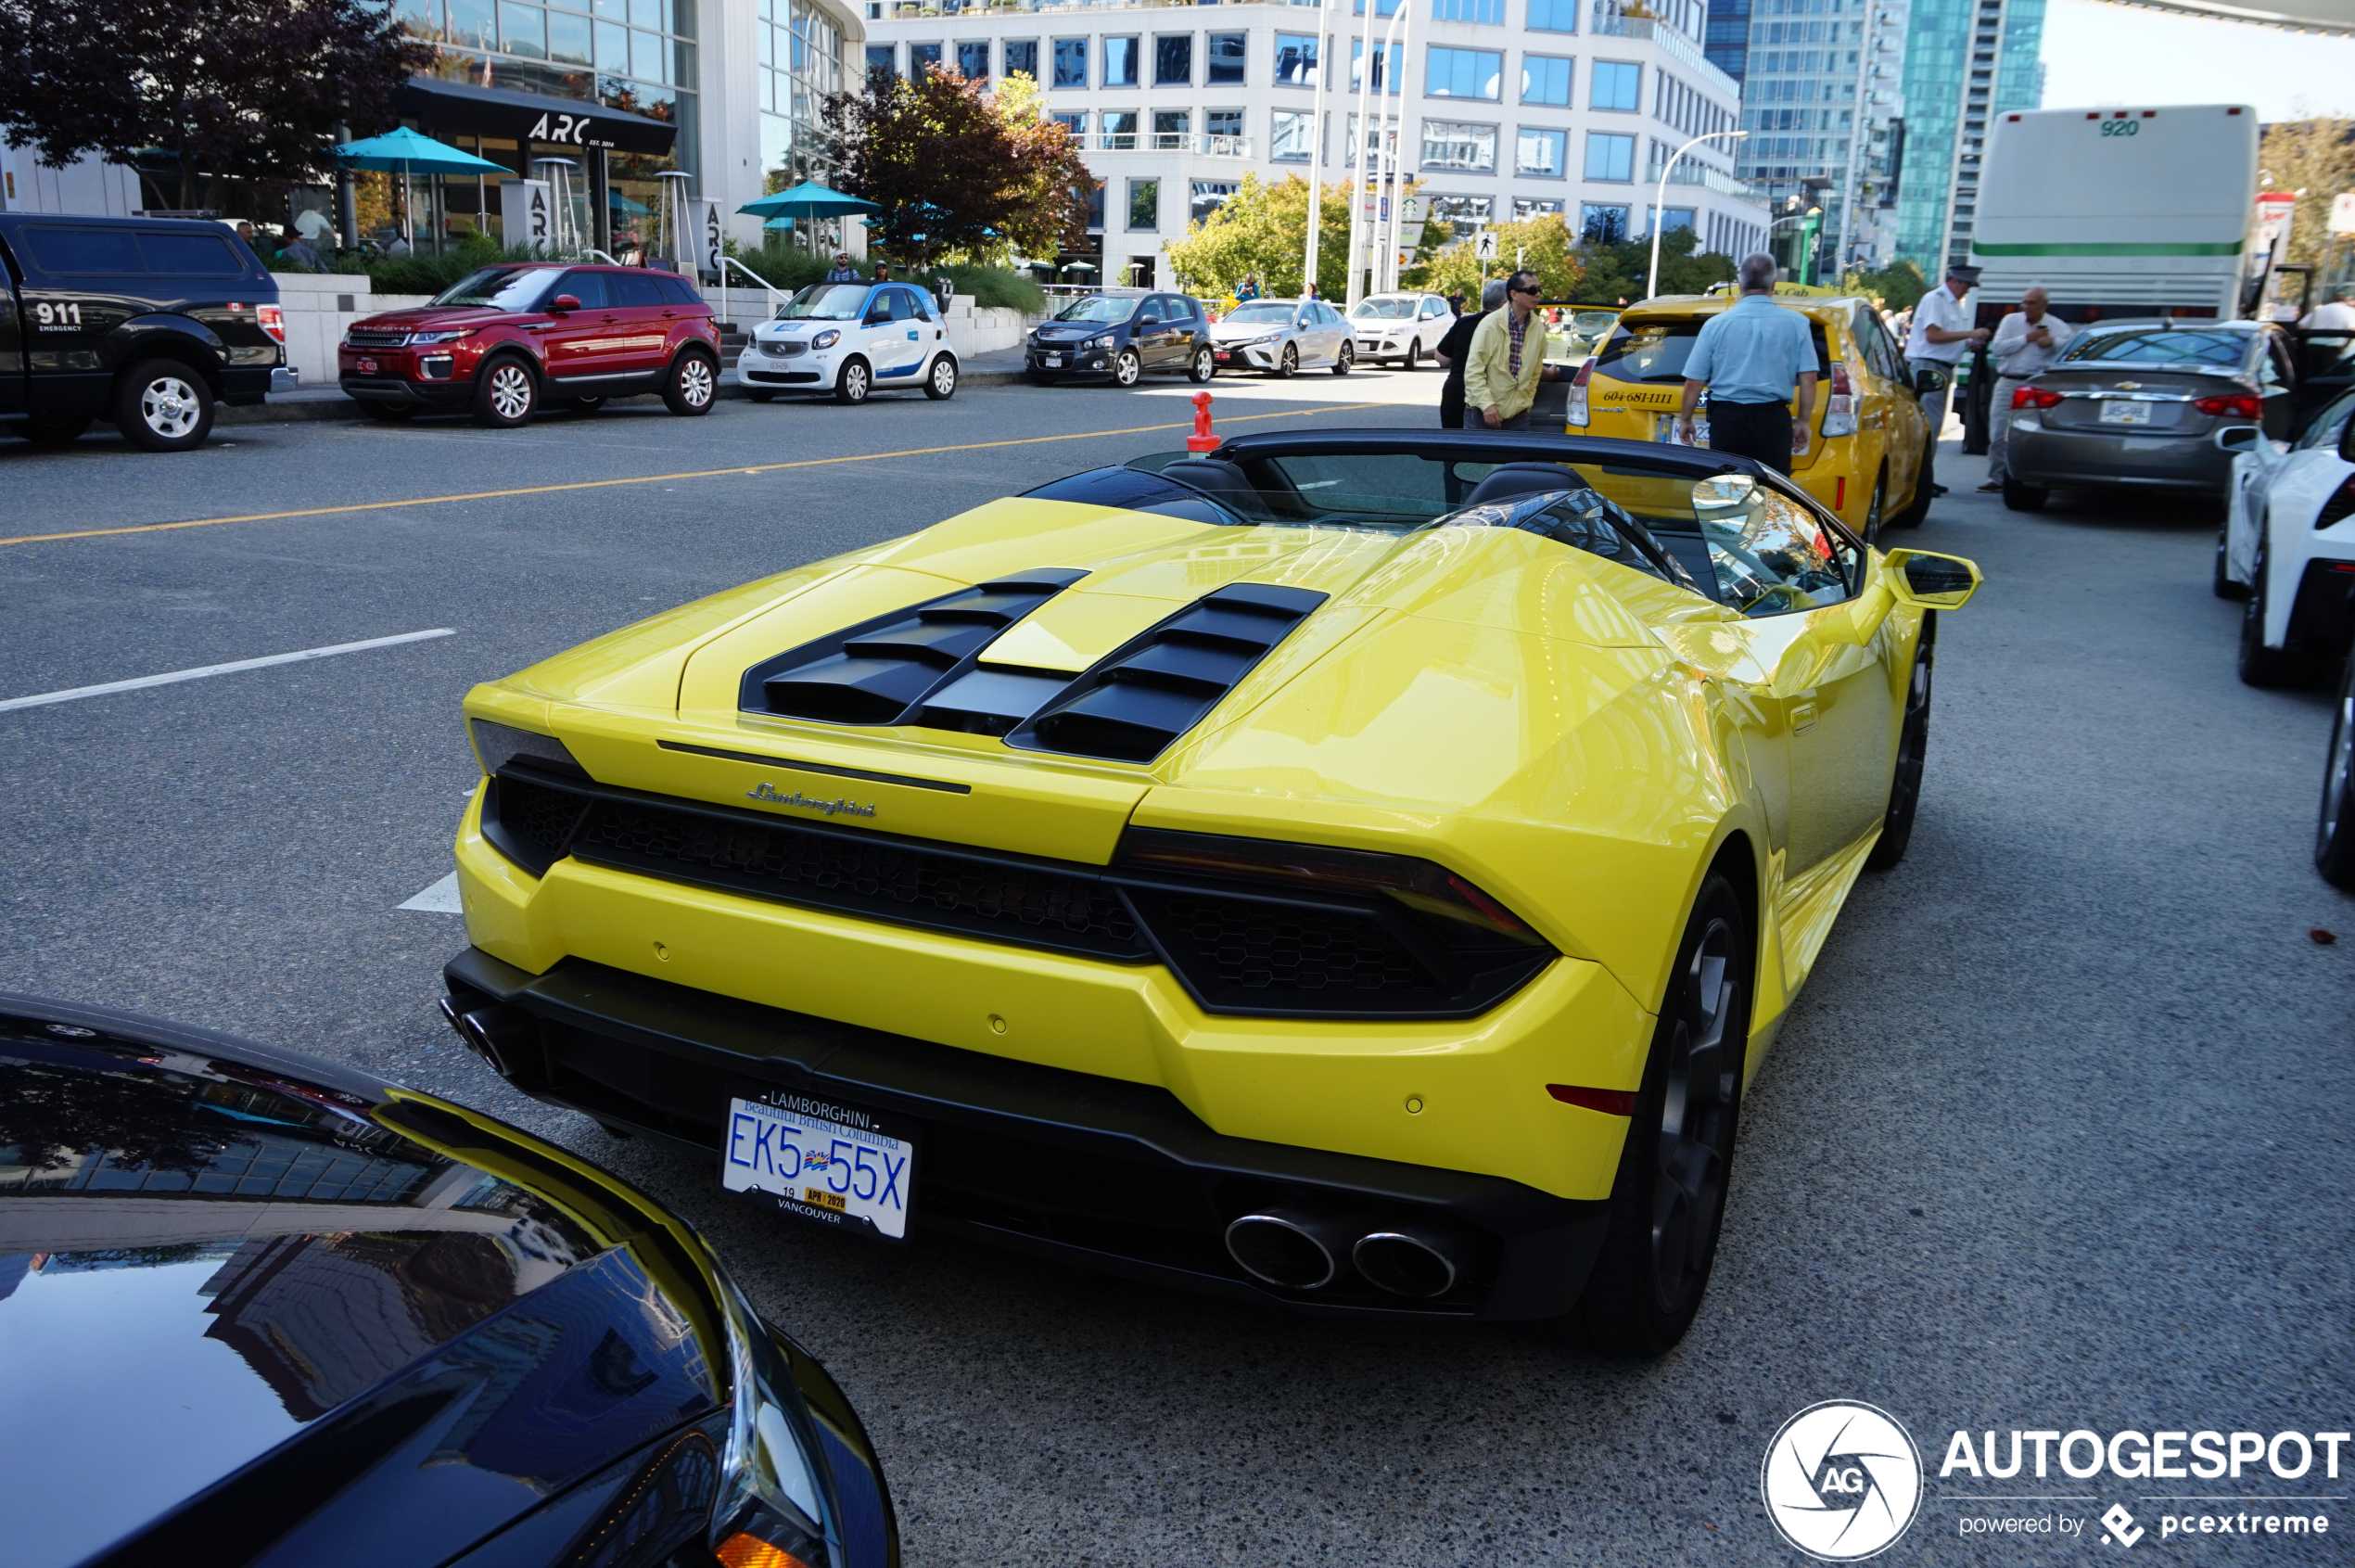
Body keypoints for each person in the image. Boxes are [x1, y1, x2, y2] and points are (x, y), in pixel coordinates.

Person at [1675, 252, 1818, 473]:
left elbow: (1694, 381)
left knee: (1726, 492)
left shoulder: (1715, 325)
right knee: (1772, 494)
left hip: (1727, 421)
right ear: (1773, 283)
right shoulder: (1797, 323)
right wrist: (1803, 423)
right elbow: (1808, 377)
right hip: (1774, 421)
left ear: (1740, 282)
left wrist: (1686, 420)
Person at [1905, 262, 1989, 498]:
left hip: (1939, 366)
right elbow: (1933, 336)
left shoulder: (1951, 303)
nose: (1969, 290)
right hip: (1928, 366)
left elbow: (1945, 337)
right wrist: (1971, 334)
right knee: (1928, 426)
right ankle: (1919, 481)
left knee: (1933, 426)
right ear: (1956, 281)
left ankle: (1925, 478)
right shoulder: (1937, 299)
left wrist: (1967, 342)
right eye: (1968, 285)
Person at [1980, 286, 2074, 492]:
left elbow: (2071, 347)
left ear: (2044, 305)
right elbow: (1997, 348)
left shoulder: (2057, 326)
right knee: (1998, 431)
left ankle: (2027, 477)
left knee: (2031, 431)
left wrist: (2053, 342)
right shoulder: (2011, 321)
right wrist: (2026, 338)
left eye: (2032, 303)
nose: (2027, 307)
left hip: (2035, 385)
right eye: (2025, 302)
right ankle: (1996, 478)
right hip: (2008, 380)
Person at [1463, 270, 1566, 431]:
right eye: (1532, 290)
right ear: (1514, 294)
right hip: (1483, 413)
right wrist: (1487, 405)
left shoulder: (1538, 326)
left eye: (1540, 289)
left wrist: (1526, 402)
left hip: (1519, 415)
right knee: (1480, 457)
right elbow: (1473, 371)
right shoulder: (1490, 324)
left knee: (1518, 458)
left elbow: (1535, 371)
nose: (1538, 294)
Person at [1435, 279, 1507, 429]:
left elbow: (1441, 358)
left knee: (1453, 442)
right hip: (1487, 397)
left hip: (1456, 390)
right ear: (1503, 305)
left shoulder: (1465, 322)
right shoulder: (1505, 327)